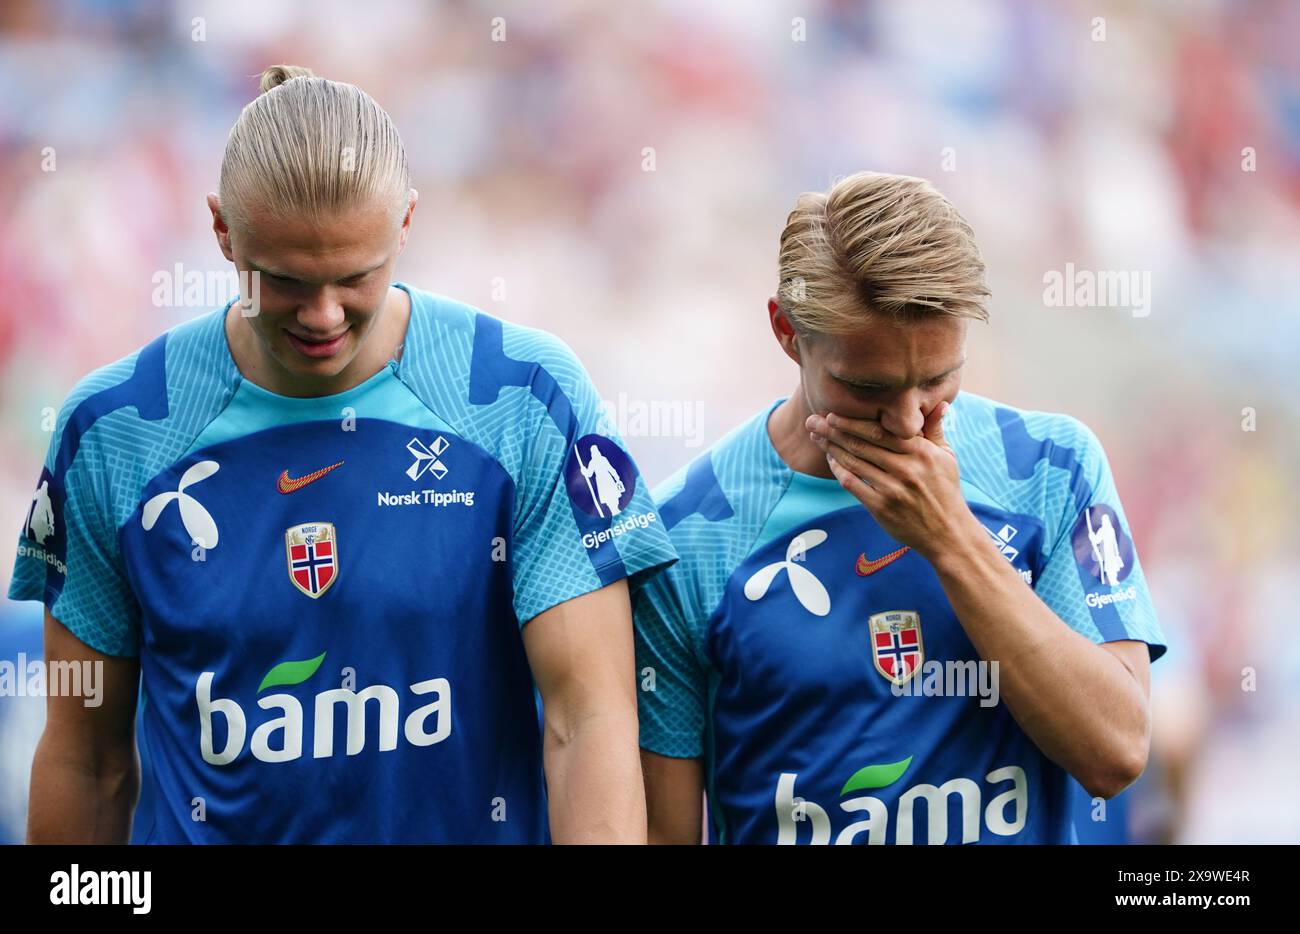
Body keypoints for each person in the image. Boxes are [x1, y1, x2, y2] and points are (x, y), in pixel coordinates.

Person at [10, 65, 675, 844]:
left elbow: (587, 720)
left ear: (406, 224)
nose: (322, 315)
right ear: (222, 232)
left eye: (355, 277)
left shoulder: (523, 400)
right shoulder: (114, 431)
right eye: (284, 280)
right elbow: (86, 758)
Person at [633, 171, 1166, 844]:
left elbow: (1116, 751)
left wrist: (951, 540)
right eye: (867, 387)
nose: (910, 420)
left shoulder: (1052, 470)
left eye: (939, 379)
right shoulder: (687, 533)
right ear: (787, 330)